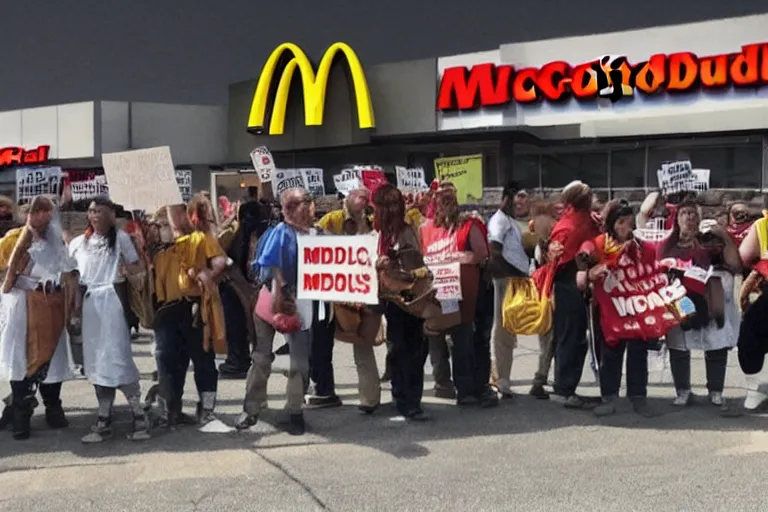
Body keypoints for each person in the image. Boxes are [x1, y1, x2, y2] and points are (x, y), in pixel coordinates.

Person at [69, 197, 151, 442]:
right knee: (94, 363)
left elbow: (138, 270)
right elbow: (71, 278)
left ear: (110, 215)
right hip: (90, 306)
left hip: (112, 304)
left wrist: (137, 260)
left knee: (117, 357)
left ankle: (138, 415)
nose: (94, 215)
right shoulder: (78, 243)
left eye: (100, 211)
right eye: (92, 211)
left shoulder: (121, 239)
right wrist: (74, 310)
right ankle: (103, 417)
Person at [236, 188, 315, 435]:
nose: (312, 207)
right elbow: (269, 263)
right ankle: (251, 408)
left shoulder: (317, 235)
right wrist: (281, 291)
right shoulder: (279, 233)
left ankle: (295, 411)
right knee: (261, 358)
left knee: (300, 362)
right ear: (290, 209)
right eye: (306, 202)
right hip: (273, 302)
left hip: (302, 302)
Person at [0, 196, 78, 440]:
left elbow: (68, 271)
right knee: (21, 358)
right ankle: (21, 411)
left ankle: (52, 405)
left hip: (50, 304)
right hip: (22, 305)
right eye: (38, 210)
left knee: (52, 358)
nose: (43, 216)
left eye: (47, 211)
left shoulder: (56, 243)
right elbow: (5, 272)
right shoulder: (13, 239)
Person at [577, 200, 659, 417]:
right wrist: (590, 272)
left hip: (635, 307)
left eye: (629, 222)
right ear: (612, 223)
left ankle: (638, 396)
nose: (626, 227)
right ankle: (609, 396)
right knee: (611, 353)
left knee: (638, 352)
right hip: (609, 310)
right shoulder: (599, 244)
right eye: (621, 222)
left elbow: (652, 273)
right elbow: (582, 272)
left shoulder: (642, 247)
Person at [659, 199, 742, 408]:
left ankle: (715, 391)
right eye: (684, 213)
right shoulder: (669, 245)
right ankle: (683, 390)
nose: (689, 217)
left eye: (693, 213)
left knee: (715, 342)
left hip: (710, 297)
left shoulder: (710, 241)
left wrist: (723, 234)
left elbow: (734, 264)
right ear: (677, 219)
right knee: (679, 343)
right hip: (680, 298)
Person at [421, 182, 498, 408]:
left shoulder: (468, 225)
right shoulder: (427, 229)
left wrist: (462, 258)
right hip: (438, 295)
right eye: (440, 198)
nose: (444, 202)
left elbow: (481, 254)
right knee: (437, 341)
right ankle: (444, 384)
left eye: (449, 197)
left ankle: (467, 390)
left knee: (463, 342)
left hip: (466, 295)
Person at [152, 203, 228, 430]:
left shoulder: (199, 239)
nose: (164, 227)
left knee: (203, 360)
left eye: (166, 222)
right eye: (160, 224)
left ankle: (206, 410)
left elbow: (221, 261)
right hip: (166, 312)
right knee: (168, 361)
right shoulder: (158, 250)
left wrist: (207, 274)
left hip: (195, 308)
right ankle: (169, 410)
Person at [310, 186, 381, 412]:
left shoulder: (371, 222)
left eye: (366, 198)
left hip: (361, 290)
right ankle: (324, 390)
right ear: (348, 198)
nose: (363, 200)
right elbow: (314, 245)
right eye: (359, 196)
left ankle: (369, 399)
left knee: (362, 343)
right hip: (332, 292)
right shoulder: (332, 220)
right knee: (322, 340)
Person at [374, 184, 434, 420]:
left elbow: (415, 268)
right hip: (392, 298)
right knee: (397, 349)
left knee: (410, 348)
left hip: (408, 299)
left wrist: (390, 263)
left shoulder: (405, 232)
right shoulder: (383, 232)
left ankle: (411, 401)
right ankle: (400, 396)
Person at [546, 181, 601, 408]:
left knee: (569, 336)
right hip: (570, 282)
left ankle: (564, 385)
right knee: (572, 337)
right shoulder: (577, 224)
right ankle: (564, 388)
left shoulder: (568, 222)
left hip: (568, 281)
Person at [486, 182, 531, 398]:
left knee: (510, 331)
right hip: (505, 281)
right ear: (507, 198)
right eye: (518, 197)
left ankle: (502, 377)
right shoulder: (499, 220)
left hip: (515, 280)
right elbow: (494, 252)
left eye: (525, 198)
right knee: (503, 332)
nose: (522, 202)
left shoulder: (512, 221)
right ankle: (501, 379)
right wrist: (510, 276)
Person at [737, 202, 768, 410]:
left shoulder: (762, 225)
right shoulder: (762, 226)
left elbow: (745, 256)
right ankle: (756, 390)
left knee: (751, 333)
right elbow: (746, 255)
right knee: (752, 330)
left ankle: (755, 389)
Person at [526, 201, 558, 398]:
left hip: (543, 290)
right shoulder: (544, 239)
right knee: (549, 339)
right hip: (549, 291)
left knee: (547, 339)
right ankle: (539, 380)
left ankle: (542, 379)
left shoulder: (534, 236)